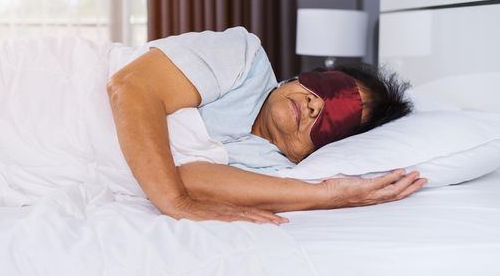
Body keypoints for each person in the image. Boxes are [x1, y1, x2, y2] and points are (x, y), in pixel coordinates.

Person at [107, 27, 426, 225]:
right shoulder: (244, 57)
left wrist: (327, 195)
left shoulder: (278, 174)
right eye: (326, 88)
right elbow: (131, 87)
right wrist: (175, 202)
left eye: (335, 117)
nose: (315, 103)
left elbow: (188, 177)